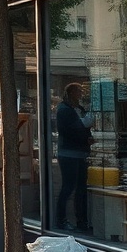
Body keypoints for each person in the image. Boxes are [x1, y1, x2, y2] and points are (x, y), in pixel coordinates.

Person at [54, 82, 94, 232]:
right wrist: (84, 133)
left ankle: (82, 221)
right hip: (69, 154)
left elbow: (82, 129)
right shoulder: (64, 110)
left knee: (81, 188)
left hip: (81, 153)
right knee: (68, 187)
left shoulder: (79, 109)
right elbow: (70, 130)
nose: (81, 94)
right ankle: (61, 220)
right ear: (70, 93)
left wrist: (87, 138)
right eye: (78, 91)